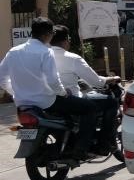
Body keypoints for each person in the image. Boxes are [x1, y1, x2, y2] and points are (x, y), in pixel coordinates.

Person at [0, 18, 98, 160]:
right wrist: (64, 93)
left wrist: (16, 92)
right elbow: (53, 81)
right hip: (47, 102)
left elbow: (1, 78)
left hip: (22, 104)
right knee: (90, 108)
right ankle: (81, 149)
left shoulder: (13, 52)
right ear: (48, 34)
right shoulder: (45, 52)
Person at [50, 26, 121, 155]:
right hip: (68, 99)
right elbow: (96, 81)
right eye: (69, 39)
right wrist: (112, 79)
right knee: (110, 102)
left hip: (46, 100)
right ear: (66, 40)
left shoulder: (43, 56)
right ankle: (100, 144)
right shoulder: (72, 58)